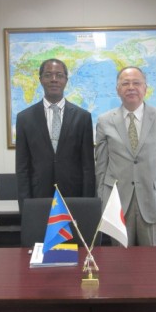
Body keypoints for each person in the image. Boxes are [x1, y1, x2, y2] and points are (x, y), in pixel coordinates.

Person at [95, 66, 156, 246]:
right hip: (117, 203)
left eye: (137, 83)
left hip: (154, 201)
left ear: (145, 88)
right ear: (118, 89)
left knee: (152, 264)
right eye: (125, 83)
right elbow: (101, 166)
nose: (131, 87)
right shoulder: (104, 121)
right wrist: (102, 201)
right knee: (120, 264)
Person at [16, 58, 96, 212]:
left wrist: (88, 202)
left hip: (74, 197)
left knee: (73, 237)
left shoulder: (83, 117)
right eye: (48, 75)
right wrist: (25, 205)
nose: (54, 79)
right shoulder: (24, 118)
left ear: (66, 80)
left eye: (59, 75)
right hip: (38, 197)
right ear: (40, 80)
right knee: (40, 237)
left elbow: (87, 167)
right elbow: (22, 168)